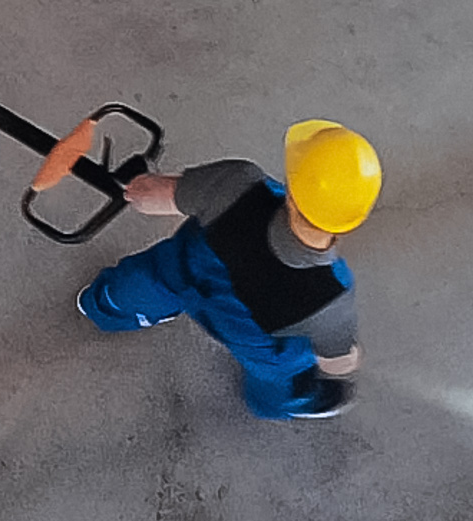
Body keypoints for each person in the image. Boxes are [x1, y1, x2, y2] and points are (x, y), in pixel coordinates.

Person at [76, 118, 380, 421]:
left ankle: (103, 304)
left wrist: (137, 186)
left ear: (292, 186)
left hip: (185, 270)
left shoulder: (236, 183)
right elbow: (334, 360)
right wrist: (349, 361)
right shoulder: (333, 297)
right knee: (283, 367)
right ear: (351, 222)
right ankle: (280, 402)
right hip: (248, 331)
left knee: (146, 281)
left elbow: (153, 197)